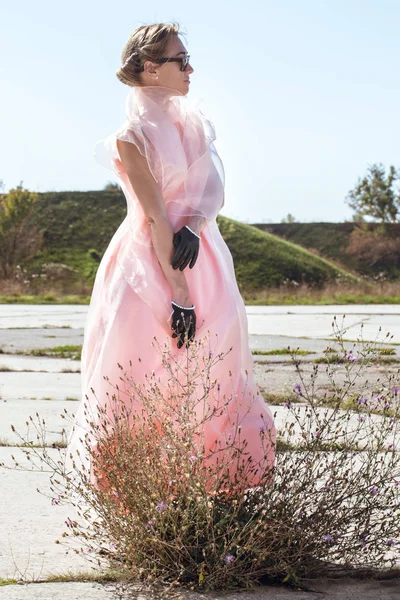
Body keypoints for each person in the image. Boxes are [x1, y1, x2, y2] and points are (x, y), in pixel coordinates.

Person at [66, 22, 276, 492]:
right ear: (147, 67)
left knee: (217, 369)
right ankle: (145, 497)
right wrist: (179, 294)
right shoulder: (130, 136)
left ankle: (220, 486)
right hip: (149, 263)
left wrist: (198, 227)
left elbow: (209, 191)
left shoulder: (193, 121)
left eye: (187, 58)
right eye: (180, 60)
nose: (190, 68)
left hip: (204, 256)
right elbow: (155, 216)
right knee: (143, 369)